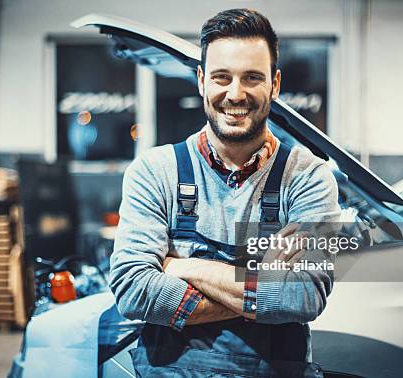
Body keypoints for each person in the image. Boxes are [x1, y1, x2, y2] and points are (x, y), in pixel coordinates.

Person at [110, 8, 341, 377]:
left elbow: (305, 296)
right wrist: (263, 286)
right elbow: (133, 289)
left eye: (252, 77)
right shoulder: (155, 172)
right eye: (222, 77)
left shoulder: (309, 177)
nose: (236, 93)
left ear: (275, 84)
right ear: (202, 81)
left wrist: (184, 267)